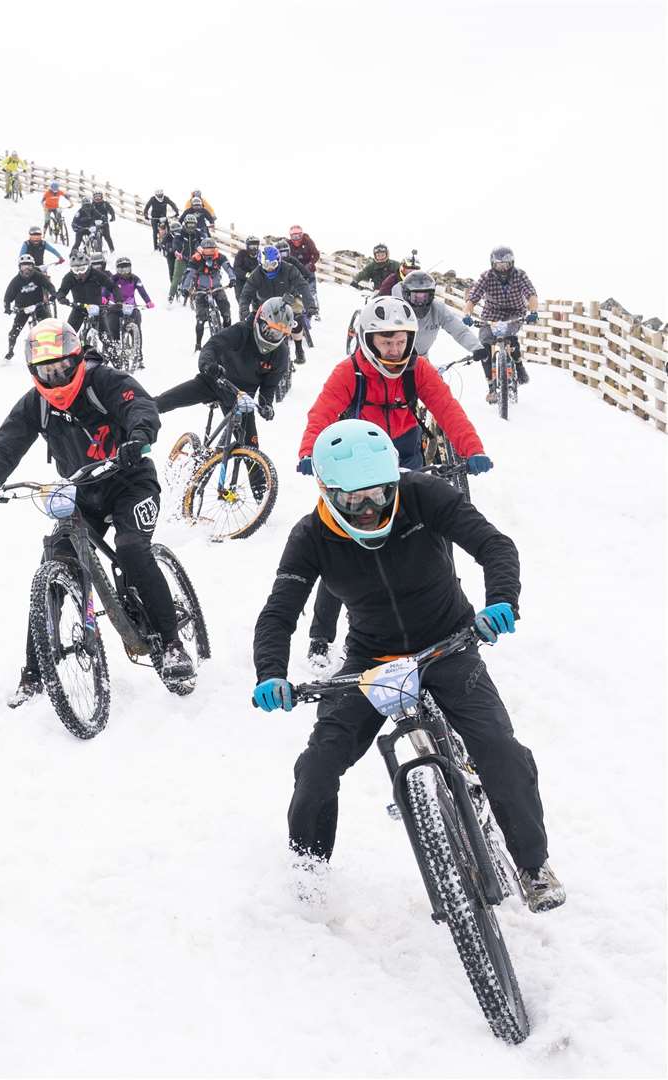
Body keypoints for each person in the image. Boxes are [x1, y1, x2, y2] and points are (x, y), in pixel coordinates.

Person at [251, 418, 564, 914]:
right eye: (353, 500)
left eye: (379, 493)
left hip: (450, 642)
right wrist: (270, 671)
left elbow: (494, 545)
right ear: (327, 492)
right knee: (316, 767)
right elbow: (279, 611)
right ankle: (309, 865)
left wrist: (501, 600)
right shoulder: (310, 535)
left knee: (499, 748)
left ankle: (532, 864)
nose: (370, 508)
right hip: (372, 661)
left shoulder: (422, 494)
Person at [0, 319, 195, 701]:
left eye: (61, 368)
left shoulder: (103, 381)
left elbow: (140, 405)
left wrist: (138, 437)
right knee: (53, 563)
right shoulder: (35, 404)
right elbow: (7, 442)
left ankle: (172, 644)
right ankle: (35, 670)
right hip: (83, 493)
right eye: (45, 371)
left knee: (132, 550)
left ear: (76, 359)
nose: (55, 378)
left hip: (131, 482)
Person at [294, 295, 492, 669]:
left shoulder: (418, 370)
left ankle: (446, 616)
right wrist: (309, 451)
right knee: (343, 546)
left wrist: (473, 448)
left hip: (404, 458)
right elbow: (321, 412)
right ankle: (321, 637)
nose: (394, 349)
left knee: (432, 534)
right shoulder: (349, 372)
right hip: (355, 464)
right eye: (386, 341)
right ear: (367, 340)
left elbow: (447, 409)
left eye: (401, 341)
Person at [154, 297, 295, 502]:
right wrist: (208, 365)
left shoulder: (280, 354)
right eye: (270, 330)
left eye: (279, 333)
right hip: (215, 381)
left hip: (241, 398)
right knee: (168, 400)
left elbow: (269, 385)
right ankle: (137, 411)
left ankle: (261, 501)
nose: (273, 336)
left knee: (251, 449)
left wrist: (266, 404)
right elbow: (212, 346)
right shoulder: (241, 331)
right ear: (259, 320)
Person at [463, 245, 540, 403]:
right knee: (484, 343)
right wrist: (467, 314)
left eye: (506, 265)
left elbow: (531, 294)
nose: (503, 269)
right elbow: (473, 297)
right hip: (492, 313)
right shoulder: (486, 276)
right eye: (499, 265)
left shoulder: (520, 275)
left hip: (515, 312)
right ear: (493, 264)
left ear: (512, 263)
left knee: (509, 334)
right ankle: (491, 387)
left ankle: (518, 366)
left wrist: (533, 312)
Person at [177, 236, 237, 348]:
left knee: (226, 313)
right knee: (200, 319)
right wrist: (185, 289)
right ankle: (198, 344)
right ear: (202, 250)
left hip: (217, 288)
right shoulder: (196, 259)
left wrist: (233, 278)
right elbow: (189, 274)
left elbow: (228, 268)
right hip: (201, 290)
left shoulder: (220, 257)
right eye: (206, 251)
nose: (209, 254)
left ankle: (228, 338)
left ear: (215, 250)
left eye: (211, 251)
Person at [3, 254, 57, 359]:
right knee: (14, 332)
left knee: (50, 326)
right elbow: (8, 296)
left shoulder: (38, 276)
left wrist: (53, 294)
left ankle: (55, 348)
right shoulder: (16, 281)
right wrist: (7, 307)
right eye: (24, 266)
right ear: (20, 267)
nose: (26, 269)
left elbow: (49, 285)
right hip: (23, 309)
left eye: (29, 266)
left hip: (39, 306)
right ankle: (10, 351)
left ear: (33, 266)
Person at [102, 256, 155, 362]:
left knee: (137, 325)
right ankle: (113, 352)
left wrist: (148, 302)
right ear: (117, 269)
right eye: (121, 269)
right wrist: (104, 298)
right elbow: (106, 290)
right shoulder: (113, 279)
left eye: (126, 268)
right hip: (115, 307)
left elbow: (142, 291)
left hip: (130, 307)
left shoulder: (135, 279)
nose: (124, 272)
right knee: (112, 327)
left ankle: (138, 354)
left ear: (130, 268)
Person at [55, 254, 109, 341]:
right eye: (76, 270)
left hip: (97, 309)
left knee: (107, 340)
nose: (80, 273)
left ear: (88, 267)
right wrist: (62, 298)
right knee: (66, 336)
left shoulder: (96, 274)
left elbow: (113, 286)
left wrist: (119, 300)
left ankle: (112, 354)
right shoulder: (69, 277)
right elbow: (61, 291)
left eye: (82, 269)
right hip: (79, 309)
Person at [285, 225, 321, 317]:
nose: (296, 239)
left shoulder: (308, 242)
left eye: (298, 236)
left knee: (311, 290)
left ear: (302, 235)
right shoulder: (288, 244)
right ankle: (294, 309)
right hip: (295, 270)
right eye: (294, 236)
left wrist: (311, 263)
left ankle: (315, 311)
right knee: (294, 290)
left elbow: (316, 254)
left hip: (308, 269)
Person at [72, 190, 117, 254]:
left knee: (107, 236)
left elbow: (109, 210)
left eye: (99, 197)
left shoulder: (103, 204)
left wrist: (111, 217)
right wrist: (76, 227)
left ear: (102, 197)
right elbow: (74, 221)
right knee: (78, 242)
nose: (97, 198)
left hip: (101, 223)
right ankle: (75, 253)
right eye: (96, 197)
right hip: (88, 226)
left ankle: (111, 250)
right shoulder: (84, 209)